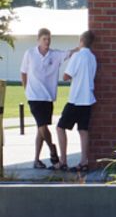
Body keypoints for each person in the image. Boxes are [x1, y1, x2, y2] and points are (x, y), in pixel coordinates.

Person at [21, 28, 66, 169]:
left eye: (49, 39)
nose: (47, 41)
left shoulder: (55, 54)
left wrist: (81, 47)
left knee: (41, 128)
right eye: (44, 39)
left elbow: (70, 53)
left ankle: (36, 160)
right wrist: (26, 89)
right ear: (38, 40)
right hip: (34, 96)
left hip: (47, 97)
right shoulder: (30, 53)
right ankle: (53, 150)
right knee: (42, 125)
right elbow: (23, 72)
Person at [55, 31, 98, 173]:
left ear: (81, 41)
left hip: (76, 99)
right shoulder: (93, 58)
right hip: (88, 99)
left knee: (60, 128)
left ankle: (63, 161)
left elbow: (66, 76)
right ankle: (84, 161)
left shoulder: (77, 56)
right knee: (83, 130)